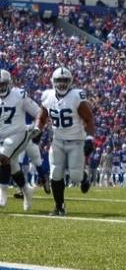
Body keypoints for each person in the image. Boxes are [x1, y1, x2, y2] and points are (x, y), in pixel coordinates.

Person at [34, 67, 96, 216]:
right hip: (57, 140)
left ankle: (83, 175)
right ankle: (59, 207)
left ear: (71, 81)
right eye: (59, 80)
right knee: (55, 173)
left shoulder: (76, 96)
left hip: (76, 140)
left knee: (75, 176)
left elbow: (89, 119)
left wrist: (89, 138)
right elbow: (42, 117)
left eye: (65, 80)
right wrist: (37, 129)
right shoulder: (48, 96)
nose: (62, 84)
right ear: (53, 82)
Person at [0, 70, 40, 211]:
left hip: (19, 134)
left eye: (3, 84)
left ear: (9, 83)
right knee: (12, 164)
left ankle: (2, 191)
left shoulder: (19, 95)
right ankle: (26, 190)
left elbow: (38, 112)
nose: (1, 87)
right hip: (2, 137)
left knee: (3, 157)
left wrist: (37, 128)